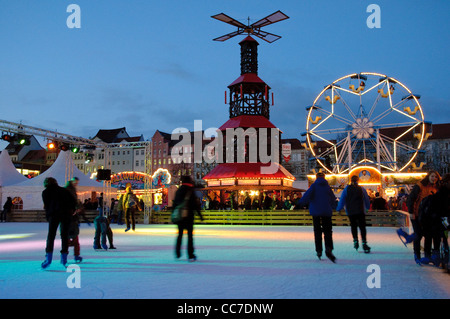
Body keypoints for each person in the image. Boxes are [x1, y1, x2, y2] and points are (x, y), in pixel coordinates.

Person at [402, 170, 440, 265]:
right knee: (418, 235)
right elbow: (411, 199)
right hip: (417, 214)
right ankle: (417, 255)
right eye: (432, 176)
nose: (434, 178)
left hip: (428, 216)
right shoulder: (420, 186)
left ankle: (427, 256)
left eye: (436, 177)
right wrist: (411, 212)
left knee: (428, 235)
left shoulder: (437, 188)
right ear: (428, 177)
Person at [299, 172, 337, 262]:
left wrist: (300, 203)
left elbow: (307, 195)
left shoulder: (314, 186)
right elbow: (332, 198)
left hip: (315, 212)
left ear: (316, 177)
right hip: (326, 212)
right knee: (328, 231)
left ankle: (319, 250)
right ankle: (329, 248)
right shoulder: (327, 187)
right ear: (324, 177)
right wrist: (336, 207)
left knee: (317, 231)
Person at [41, 177, 77, 268]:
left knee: (51, 236)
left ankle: (48, 259)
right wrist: (71, 211)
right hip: (66, 215)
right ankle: (64, 258)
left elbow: (47, 206)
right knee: (64, 236)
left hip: (54, 215)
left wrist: (48, 215)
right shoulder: (64, 191)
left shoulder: (45, 192)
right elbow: (73, 201)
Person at [337, 175, 371, 253]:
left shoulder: (346, 189)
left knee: (353, 226)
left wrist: (339, 208)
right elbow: (366, 199)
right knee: (362, 227)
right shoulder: (361, 189)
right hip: (360, 210)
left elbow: (342, 200)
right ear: (358, 180)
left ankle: (355, 240)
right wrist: (367, 207)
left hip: (350, 211)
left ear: (350, 180)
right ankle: (364, 242)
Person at [173, 176, 203, 261]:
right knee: (190, 236)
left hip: (180, 217)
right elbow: (195, 204)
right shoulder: (190, 191)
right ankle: (190, 255)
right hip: (189, 217)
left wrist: (174, 215)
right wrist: (200, 215)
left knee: (180, 235)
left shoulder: (178, 191)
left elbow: (175, 204)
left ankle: (177, 252)